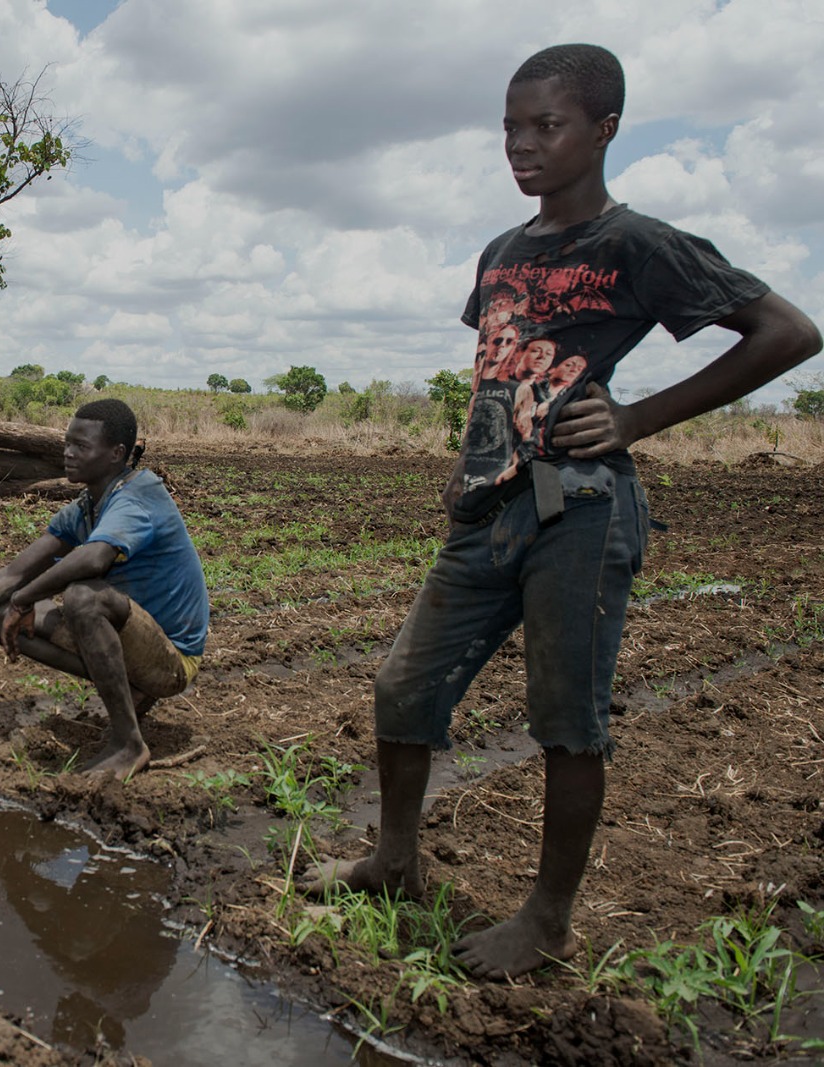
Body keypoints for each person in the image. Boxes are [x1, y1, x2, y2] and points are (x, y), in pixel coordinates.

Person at [299, 43, 820, 981]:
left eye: (548, 126)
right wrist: (470, 466)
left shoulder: (635, 244)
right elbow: (504, 372)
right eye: (511, 125)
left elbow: (790, 332)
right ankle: (393, 861)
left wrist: (638, 417)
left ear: (603, 130)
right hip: (486, 512)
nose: (522, 145)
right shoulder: (503, 253)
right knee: (400, 690)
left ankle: (547, 919)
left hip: (580, 511)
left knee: (566, 720)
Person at [0, 399, 209, 782]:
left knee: (83, 597)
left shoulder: (136, 497)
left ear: (116, 454)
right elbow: (12, 574)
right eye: (67, 443)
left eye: (81, 446)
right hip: (136, 646)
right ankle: (131, 691)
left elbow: (93, 560)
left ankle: (129, 745)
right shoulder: (87, 506)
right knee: (0, 615)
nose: (68, 454)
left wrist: (25, 599)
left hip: (172, 662)